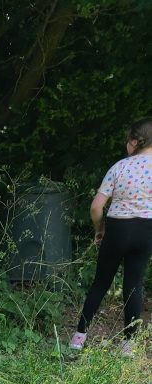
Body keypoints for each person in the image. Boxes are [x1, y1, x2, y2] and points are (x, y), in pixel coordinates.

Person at [69, 117, 152, 355]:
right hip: (146, 230)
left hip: (117, 229)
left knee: (101, 282)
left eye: (128, 141)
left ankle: (78, 338)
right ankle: (128, 346)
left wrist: (99, 229)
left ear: (135, 141)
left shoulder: (120, 167)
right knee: (134, 285)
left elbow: (96, 207)